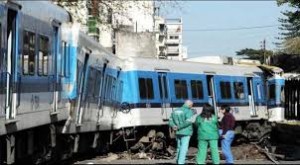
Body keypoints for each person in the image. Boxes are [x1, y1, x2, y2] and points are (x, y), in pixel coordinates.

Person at [169, 100, 194, 164]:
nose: (192, 107)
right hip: (186, 132)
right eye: (192, 105)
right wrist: (179, 127)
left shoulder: (175, 110)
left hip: (178, 132)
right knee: (184, 148)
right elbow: (188, 122)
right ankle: (181, 162)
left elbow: (170, 120)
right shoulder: (189, 111)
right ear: (189, 105)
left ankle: (178, 161)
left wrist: (174, 126)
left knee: (179, 147)